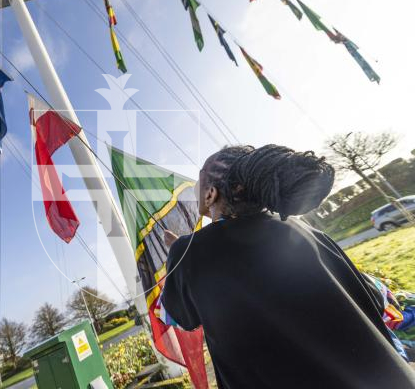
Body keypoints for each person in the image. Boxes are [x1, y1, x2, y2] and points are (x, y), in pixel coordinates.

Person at [161, 144, 415, 389]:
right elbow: (371, 298)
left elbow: (178, 317)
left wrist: (177, 258)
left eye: (199, 181)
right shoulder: (306, 229)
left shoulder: (189, 252)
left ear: (210, 194)